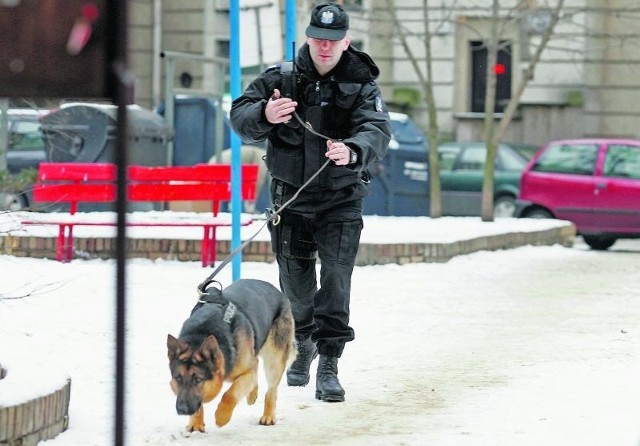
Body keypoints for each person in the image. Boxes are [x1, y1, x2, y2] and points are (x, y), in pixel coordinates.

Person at [229, 2, 391, 403]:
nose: (325, 47)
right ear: (308, 38)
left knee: (335, 281)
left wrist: (354, 150)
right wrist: (266, 113)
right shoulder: (280, 78)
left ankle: (330, 362)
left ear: (346, 42)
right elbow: (240, 116)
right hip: (290, 200)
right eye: (318, 39)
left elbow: (377, 129)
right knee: (297, 288)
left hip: (341, 199)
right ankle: (303, 343)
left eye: (333, 41)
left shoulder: (361, 82)